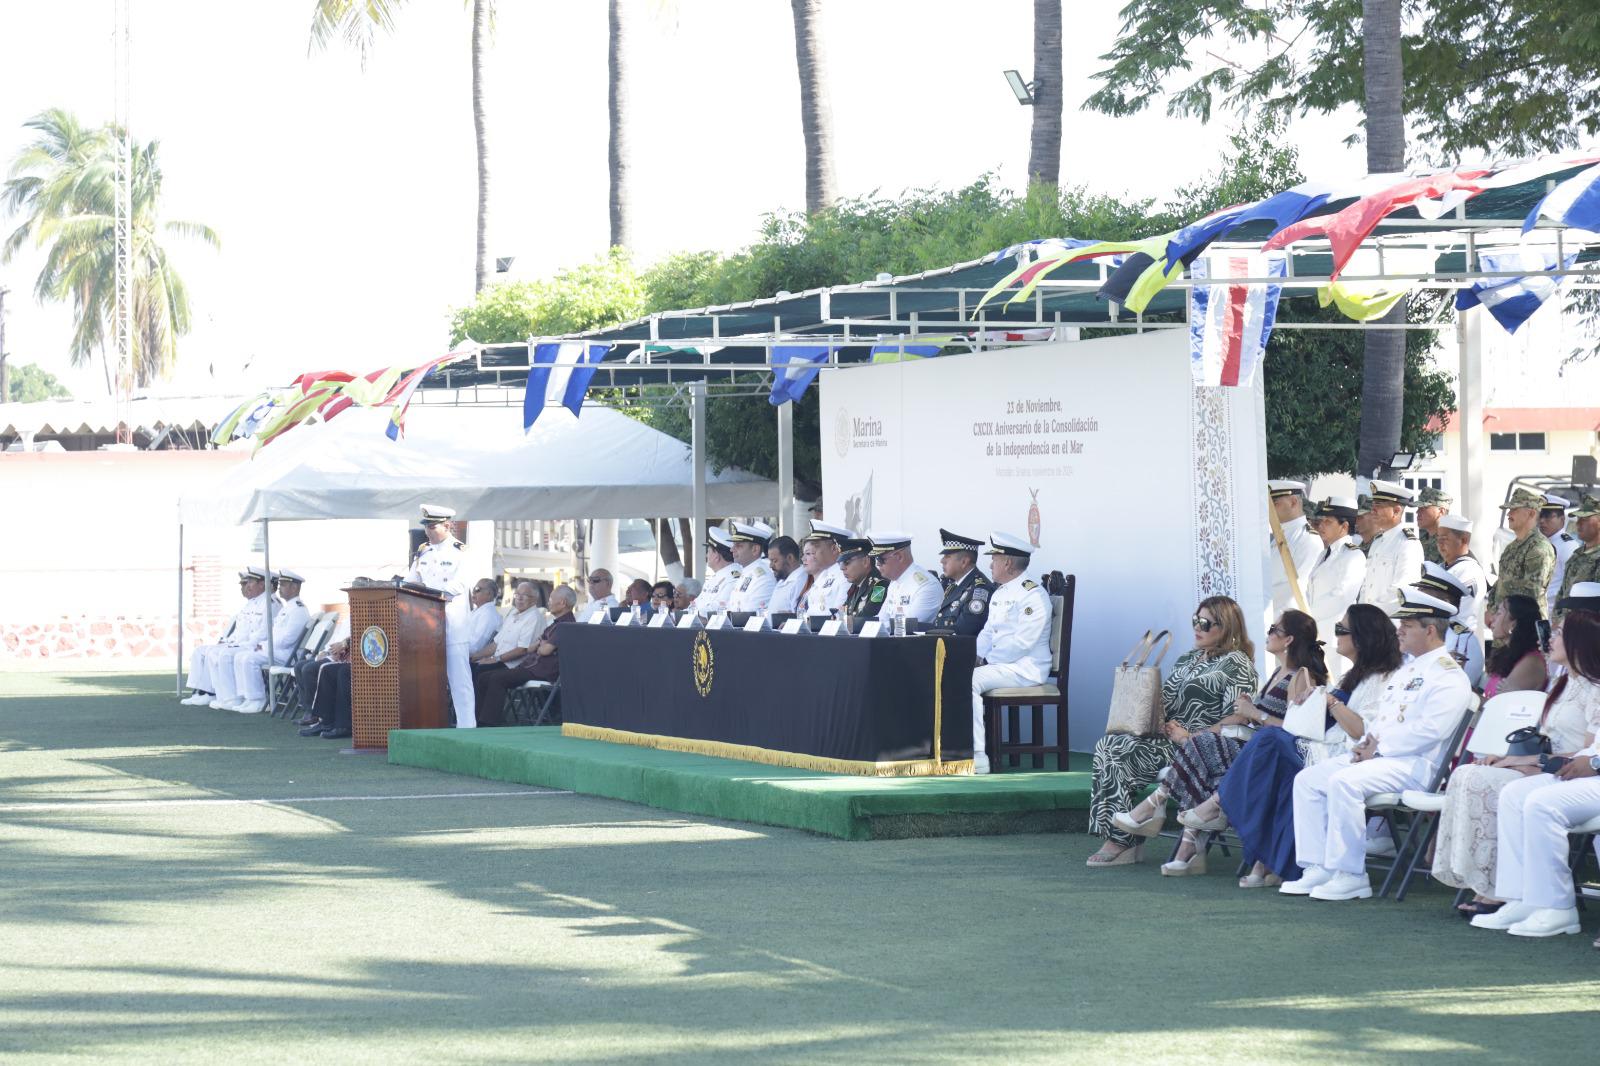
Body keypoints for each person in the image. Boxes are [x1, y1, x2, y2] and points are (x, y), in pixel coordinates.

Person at [1280, 588, 1473, 901]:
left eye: (1407, 625)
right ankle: (1318, 867)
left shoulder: (1447, 675)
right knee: (1307, 781)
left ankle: (1350, 874)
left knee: (1344, 782)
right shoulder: (1409, 669)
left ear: (1430, 630)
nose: (1399, 631)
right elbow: (1384, 719)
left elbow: (1431, 730)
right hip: (1383, 758)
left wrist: (1378, 748)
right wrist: (1367, 741)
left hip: (1417, 765)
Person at [1209, 604, 1403, 887]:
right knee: (1276, 764)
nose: (1335, 635)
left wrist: (1328, 700)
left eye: (1341, 630)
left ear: (1362, 637)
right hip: (1324, 745)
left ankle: (1217, 806)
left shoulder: (1379, 679)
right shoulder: (1356, 674)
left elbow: (1361, 730)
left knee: (1269, 742)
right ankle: (1276, 860)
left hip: (1345, 753)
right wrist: (1313, 699)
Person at [1119, 610, 1317, 876]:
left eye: (1274, 630)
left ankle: (1168, 818)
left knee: (1201, 746)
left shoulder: (1300, 677)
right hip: (1252, 752)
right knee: (1202, 751)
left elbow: (1296, 732)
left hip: (1272, 759)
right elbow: (1256, 720)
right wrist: (1247, 711)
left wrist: (1254, 713)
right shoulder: (1277, 674)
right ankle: (1189, 838)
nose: (1268, 634)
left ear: (1289, 639)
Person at [1435, 603, 1600, 917]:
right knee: (1471, 774)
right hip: (1552, 766)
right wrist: (1512, 758)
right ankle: (1507, 891)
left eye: (1560, 633)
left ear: (1579, 641)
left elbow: (1584, 756)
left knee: (1502, 787)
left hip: (1569, 772)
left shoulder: (1593, 687)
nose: (1550, 638)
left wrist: (1522, 763)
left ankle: (1532, 898)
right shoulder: (1564, 683)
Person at [1087, 596, 1258, 865]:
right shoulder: (1189, 658)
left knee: (1117, 751)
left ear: (1226, 627)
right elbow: (1166, 698)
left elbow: (1238, 717)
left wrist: (1189, 737)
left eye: (1205, 623)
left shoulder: (1236, 663)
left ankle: (1121, 840)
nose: (1197, 627)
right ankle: (1124, 836)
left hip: (1198, 746)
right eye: (1195, 620)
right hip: (1166, 738)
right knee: (1109, 744)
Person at [970, 533, 1054, 776]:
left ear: (1007, 563)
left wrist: (985, 662)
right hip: (1001, 666)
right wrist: (973, 657)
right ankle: (958, 749)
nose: (990, 565)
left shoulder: (1033, 594)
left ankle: (978, 756)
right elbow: (987, 633)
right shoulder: (1000, 593)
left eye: (994, 559)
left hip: (1024, 668)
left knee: (970, 681)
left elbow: (1022, 643)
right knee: (959, 673)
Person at [407, 504, 477, 728]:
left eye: (433, 527)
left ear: (447, 525)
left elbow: (460, 584)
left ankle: (467, 727)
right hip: (425, 624)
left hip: (452, 623)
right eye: (426, 527)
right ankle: (428, 723)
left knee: (459, 680)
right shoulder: (424, 551)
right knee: (425, 677)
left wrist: (432, 594)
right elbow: (412, 582)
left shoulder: (460, 551)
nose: (428, 531)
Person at [472, 585, 578, 727]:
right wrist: (541, 645)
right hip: (532, 667)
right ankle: (478, 720)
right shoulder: (556, 624)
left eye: (552, 599)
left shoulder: (566, 625)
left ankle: (488, 723)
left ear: (563, 603)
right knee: (484, 676)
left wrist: (541, 646)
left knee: (496, 678)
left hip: (541, 671)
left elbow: (543, 650)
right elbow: (533, 647)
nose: (548, 602)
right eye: (517, 594)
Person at [181, 567, 274, 708]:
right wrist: (230, 641)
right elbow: (241, 630)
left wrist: (239, 644)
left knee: (223, 654)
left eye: (250, 582)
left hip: (254, 646)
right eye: (246, 583)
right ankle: (207, 692)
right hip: (243, 644)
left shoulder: (270, 603)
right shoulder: (252, 603)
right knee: (202, 651)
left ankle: (231, 698)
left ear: (262, 584)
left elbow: (263, 632)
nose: (247, 586)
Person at [222, 569, 312, 714]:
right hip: (280, 651)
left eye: (283, 584)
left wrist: (263, 646)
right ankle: (249, 699)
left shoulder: (298, 610)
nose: (279, 587)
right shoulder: (289, 607)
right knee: (242, 656)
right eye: (280, 584)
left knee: (249, 658)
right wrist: (264, 646)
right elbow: (276, 634)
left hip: (289, 655)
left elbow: (288, 639)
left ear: (295, 587)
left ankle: (259, 700)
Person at [1303, 496, 1366, 673]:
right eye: (1321, 521)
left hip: (1336, 637)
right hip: (1317, 634)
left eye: (1328, 522)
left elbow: (1341, 596)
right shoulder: (1324, 554)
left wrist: (1309, 617)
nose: (1321, 526)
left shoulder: (1353, 556)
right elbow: (1310, 589)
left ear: (1344, 526)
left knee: (1336, 686)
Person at [1356, 480, 1423, 615]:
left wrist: (1371, 614)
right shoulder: (1377, 542)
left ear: (1396, 511)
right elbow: (1366, 586)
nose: (1373, 510)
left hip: (1391, 625)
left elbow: (1403, 590)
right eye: (1373, 505)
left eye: (1379, 506)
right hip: (1370, 624)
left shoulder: (1408, 544)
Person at [1491, 487, 1557, 620]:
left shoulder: (1539, 548)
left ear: (1531, 513)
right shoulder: (1512, 547)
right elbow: (1501, 582)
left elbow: (1530, 594)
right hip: (1505, 623)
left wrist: (1503, 615)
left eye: (1514, 509)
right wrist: (1492, 609)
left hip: (1526, 626)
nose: (1509, 514)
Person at [1268, 480, 1322, 615]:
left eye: (1275, 504)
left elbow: (1293, 587)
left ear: (1293, 502)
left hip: (1286, 617)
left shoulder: (1308, 539)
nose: (1269, 509)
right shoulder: (1279, 533)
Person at [870, 531, 942, 624]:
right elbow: (882, 618)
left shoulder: (927, 586)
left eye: (881, 559)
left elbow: (906, 625)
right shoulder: (894, 583)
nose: (878, 564)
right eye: (876, 559)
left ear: (900, 557)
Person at [931, 528, 993, 636]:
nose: (942, 561)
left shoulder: (979, 589)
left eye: (947, 556)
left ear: (964, 562)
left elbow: (964, 630)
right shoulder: (953, 585)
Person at [1483, 594, 1547, 699]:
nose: (1492, 618)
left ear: (1513, 624)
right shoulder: (1507, 653)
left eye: (1499, 613)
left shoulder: (1531, 662)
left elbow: (1501, 706)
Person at [1437, 514, 1488, 636]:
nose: (1439, 543)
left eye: (1445, 539)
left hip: (1456, 640)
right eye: (1438, 538)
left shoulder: (1469, 570)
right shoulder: (1440, 567)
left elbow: (1460, 616)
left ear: (1464, 540)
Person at [1554, 495, 1600, 617]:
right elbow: (1562, 592)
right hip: (1564, 628)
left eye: (1584, 519)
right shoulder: (1577, 555)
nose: (1578, 523)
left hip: (1585, 629)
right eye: (1578, 519)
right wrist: (1557, 619)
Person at [800, 521, 853, 617]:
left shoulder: (845, 576)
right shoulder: (823, 576)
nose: (813, 556)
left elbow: (838, 616)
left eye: (813, 552)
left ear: (834, 549)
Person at [1541, 494, 1579, 617]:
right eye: (1540, 516)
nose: (1542, 521)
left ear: (1562, 519)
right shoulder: (1541, 543)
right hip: (1538, 614)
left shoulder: (1568, 547)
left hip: (1554, 616)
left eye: (1547, 516)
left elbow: (1572, 588)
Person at [726, 521, 777, 613]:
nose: (732, 549)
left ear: (755, 549)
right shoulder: (745, 573)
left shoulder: (762, 578)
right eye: (733, 545)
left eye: (738, 546)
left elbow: (751, 614)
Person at [689, 530, 742, 617]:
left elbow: (720, 606)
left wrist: (691, 614)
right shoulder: (714, 579)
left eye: (708, 551)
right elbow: (696, 603)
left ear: (716, 556)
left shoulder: (734, 578)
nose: (706, 555)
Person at [839, 538, 887, 624]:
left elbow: (867, 618)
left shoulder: (880, 585)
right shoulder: (855, 587)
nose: (842, 568)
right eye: (841, 563)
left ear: (865, 561)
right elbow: (842, 614)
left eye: (846, 562)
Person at [766, 535, 805, 617]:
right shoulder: (783, 579)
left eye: (774, 561)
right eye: (770, 561)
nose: (771, 565)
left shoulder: (800, 581)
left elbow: (800, 617)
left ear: (790, 558)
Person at [464, 578, 504, 660]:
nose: (473, 592)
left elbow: (475, 647)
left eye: (477, 589)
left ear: (488, 594)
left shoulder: (488, 615)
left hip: (468, 660)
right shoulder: (480, 611)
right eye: (473, 589)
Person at [1415, 486, 1452, 567]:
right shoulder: (1422, 539)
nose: (1417, 512)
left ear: (1441, 511)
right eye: (1418, 507)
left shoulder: (1451, 543)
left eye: (1424, 508)